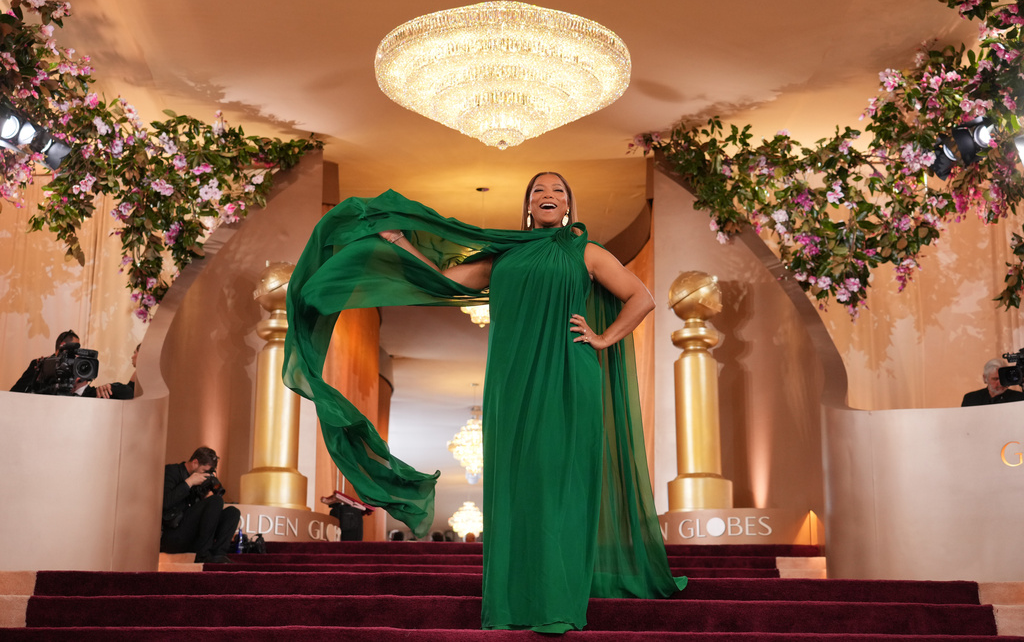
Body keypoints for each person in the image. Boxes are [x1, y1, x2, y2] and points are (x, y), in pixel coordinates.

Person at [283, 174, 685, 633]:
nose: (548, 196)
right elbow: (438, 280)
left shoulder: (585, 251)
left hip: (569, 375)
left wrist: (601, 338)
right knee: (516, 484)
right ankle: (515, 603)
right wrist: (397, 241)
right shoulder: (505, 253)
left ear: (569, 205)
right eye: (538, 191)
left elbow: (642, 297)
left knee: (558, 484)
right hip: (511, 382)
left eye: (557, 191)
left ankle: (558, 603)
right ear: (527, 207)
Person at [161, 447, 240, 564]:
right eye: (204, 471)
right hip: (173, 535)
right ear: (195, 463)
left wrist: (204, 493)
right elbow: (165, 502)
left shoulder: (200, 480)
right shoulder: (171, 471)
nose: (206, 475)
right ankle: (202, 555)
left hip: (192, 535)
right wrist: (188, 483)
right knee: (216, 501)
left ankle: (219, 554)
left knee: (233, 512)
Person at [10, 329, 80, 392]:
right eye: (75, 348)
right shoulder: (40, 364)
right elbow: (17, 390)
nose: (77, 352)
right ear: (63, 345)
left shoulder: (74, 368)